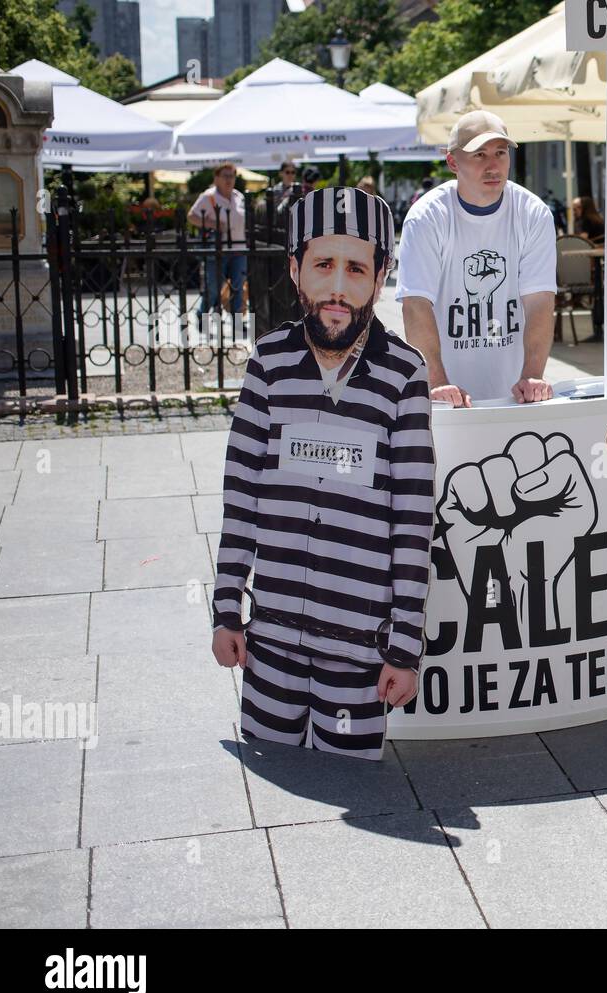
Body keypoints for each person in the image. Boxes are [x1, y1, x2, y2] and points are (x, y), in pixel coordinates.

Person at [210, 186, 433, 760]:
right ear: (295, 269)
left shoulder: (405, 375)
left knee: (352, 785)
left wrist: (404, 647)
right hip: (272, 639)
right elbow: (242, 493)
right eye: (323, 265)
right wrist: (227, 609)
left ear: (381, 274)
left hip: (361, 648)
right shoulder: (269, 362)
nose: (337, 287)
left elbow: (412, 517)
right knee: (271, 778)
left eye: (356, 267)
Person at [396, 110, 557, 407]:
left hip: (513, 394)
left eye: (500, 152)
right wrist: (437, 382)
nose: (493, 165)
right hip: (445, 395)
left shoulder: (532, 213)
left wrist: (532, 375)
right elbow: (416, 304)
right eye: (479, 155)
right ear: (453, 162)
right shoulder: (427, 217)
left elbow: (540, 301)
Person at [187, 162, 247, 317]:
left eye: (231, 176)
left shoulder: (238, 196)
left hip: (238, 249)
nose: (229, 179)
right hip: (217, 250)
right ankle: (203, 314)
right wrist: (213, 224)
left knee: (238, 287)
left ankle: (237, 322)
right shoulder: (208, 197)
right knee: (213, 287)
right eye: (225, 176)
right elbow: (191, 216)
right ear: (217, 178)